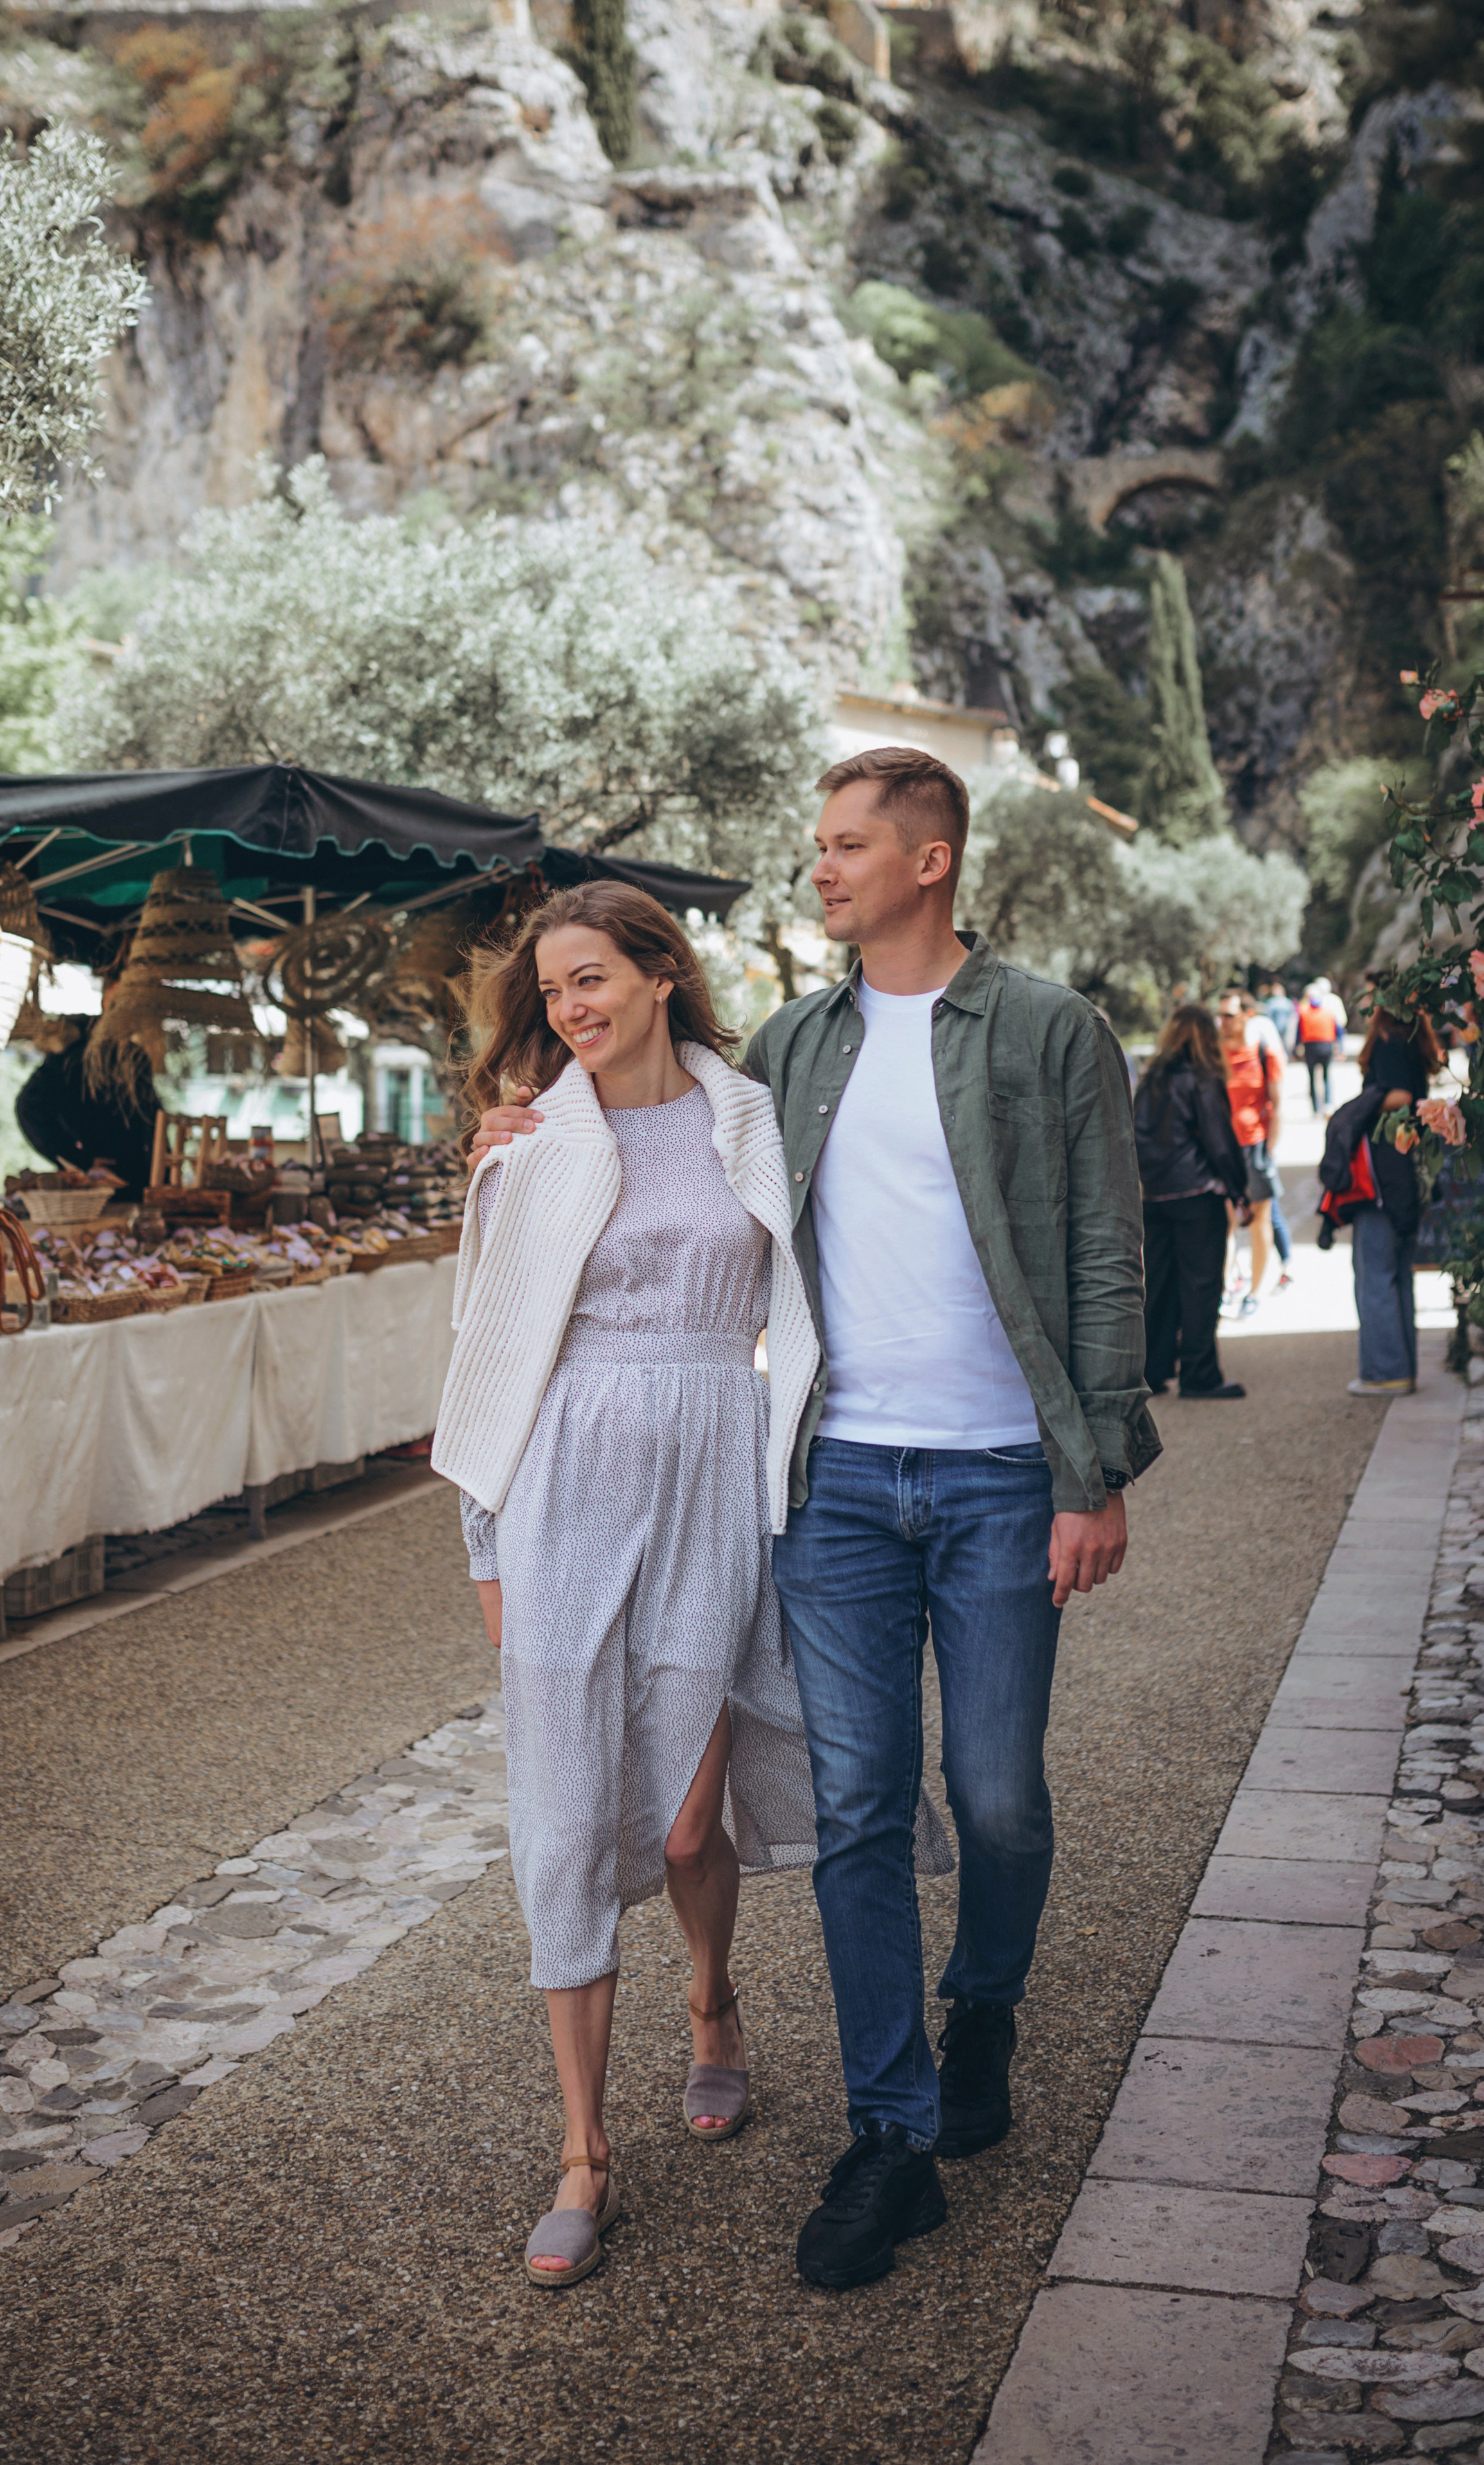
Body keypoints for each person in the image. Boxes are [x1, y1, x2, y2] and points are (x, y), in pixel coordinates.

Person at [472, 746, 1158, 2291]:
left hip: (997, 1471)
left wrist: (1091, 1467)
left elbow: (1110, 1252)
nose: (819, 868)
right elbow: (645, 1142)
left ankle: (980, 2002)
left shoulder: (1046, 1027)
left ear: (927, 859)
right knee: (856, 1804)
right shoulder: (795, 1041)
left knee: (989, 1795)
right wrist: (519, 1138)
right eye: (817, 845)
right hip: (833, 1476)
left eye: (844, 845)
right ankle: (887, 2134)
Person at [431, 881, 950, 2293]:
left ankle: (711, 2005)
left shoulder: (751, 1117)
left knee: (676, 1822)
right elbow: (483, 1347)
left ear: (661, 975)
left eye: (592, 978)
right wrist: (484, 1542)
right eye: (551, 992)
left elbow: (842, 1262)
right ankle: (583, 2153)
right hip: (560, 1483)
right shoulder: (529, 1146)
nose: (571, 1007)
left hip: (720, 1466)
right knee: (561, 1816)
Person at [1133, 1006, 1249, 1398]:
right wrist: (1239, 1190)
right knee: (1201, 1284)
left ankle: (1154, 1369)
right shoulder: (1202, 1077)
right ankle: (1199, 1374)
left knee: (1161, 1283)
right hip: (1197, 1193)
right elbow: (1220, 1142)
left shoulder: (1152, 1078)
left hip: (1155, 1193)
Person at [1349, 995, 1445, 1395]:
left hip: (1385, 1176)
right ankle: (1400, 1368)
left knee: (1376, 1275)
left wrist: (1358, 1107)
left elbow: (1400, 1096)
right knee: (1397, 1275)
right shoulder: (1413, 1041)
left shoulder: (1389, 1040)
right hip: (1407, 1173)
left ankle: (1385, 1371)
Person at [14, 966, 159, 1199]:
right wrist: (77, 1159)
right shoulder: (76, 1055)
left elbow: (151, 1117)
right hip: (96, 1186)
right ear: (107, 999)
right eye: (123, 997)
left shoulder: (136, 1057)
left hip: (141, 1184)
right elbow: (30, 1108)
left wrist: (165, 1170)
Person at [1217, 989, 1283, 1311]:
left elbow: (1277, 1104)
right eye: (1221, 1016)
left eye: (1229, 1015)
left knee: (1260, 1220)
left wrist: (1268, 1151)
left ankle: (1255, 1292)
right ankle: (1228, 1283)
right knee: (1224, 1220)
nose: (1223, 1022)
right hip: (1222, 1150)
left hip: (1255, 1145)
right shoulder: (1214, 1054)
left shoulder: (1261, 1051)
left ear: (1246, 1015)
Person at [1297, 978, 1347, 1114]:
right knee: (1326, 1076)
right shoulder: (1328, 1012)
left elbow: (1298, 1033)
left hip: (1310, 1047)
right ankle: (1328, 1104)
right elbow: (1340, 1031)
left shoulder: (1304, 1011)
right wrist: (1341, 1048)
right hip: (1327, 1046)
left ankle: (1316, 1108)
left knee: (1312, 1078)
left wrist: (1296, 1050)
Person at [1262, 978, 1300, 1059]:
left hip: (1283, 1027)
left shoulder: (1284, 1002)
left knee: (1283, 1044)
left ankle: (1284, 1059)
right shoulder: (1274, 1002)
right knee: (1280, 1043)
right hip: (1279, 1026)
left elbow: (1293, 1015)